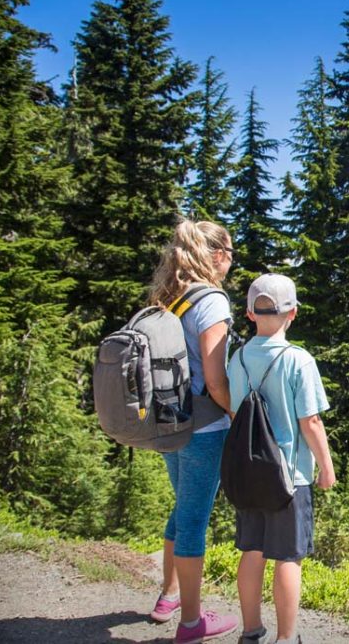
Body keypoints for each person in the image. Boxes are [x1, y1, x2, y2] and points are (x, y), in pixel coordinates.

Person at [227, 273, 336, 644]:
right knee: (288, 557)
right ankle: (286, 638)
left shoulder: (237, 359)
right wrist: (326, 465)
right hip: (289, 476)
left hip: (247, 474)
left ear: (249, 313)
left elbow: (234, 413)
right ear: (293, 313)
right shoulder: (299, 360)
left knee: (252, 551)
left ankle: (250, 631)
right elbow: (312, 421)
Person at [147, 219, 239, 643]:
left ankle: (168, 596)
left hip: (169, 421)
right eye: (231, 254)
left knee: (182, 507)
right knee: (193, 521)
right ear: (216, 255)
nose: (232, 262)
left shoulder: (169, 294)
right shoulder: (213, 301)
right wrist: (236, 414)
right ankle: (190, 622)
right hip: (204, 426)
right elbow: (216, 379)